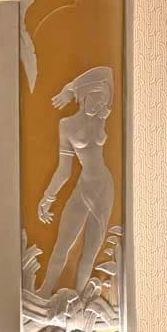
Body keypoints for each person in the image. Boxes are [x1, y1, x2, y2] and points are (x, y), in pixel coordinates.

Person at [36, 66, 114, 299]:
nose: (99, 105)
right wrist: (48, 197)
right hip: (84, 187)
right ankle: (45, 292)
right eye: (95, 99)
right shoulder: (67, 125)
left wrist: (70, 88)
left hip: (104, 187)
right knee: (63, 244)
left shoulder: (101, 117)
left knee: (90, 251)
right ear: (84, 96)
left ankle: (80, 300)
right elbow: (64, 170)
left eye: (102, 101)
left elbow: (108, 73)